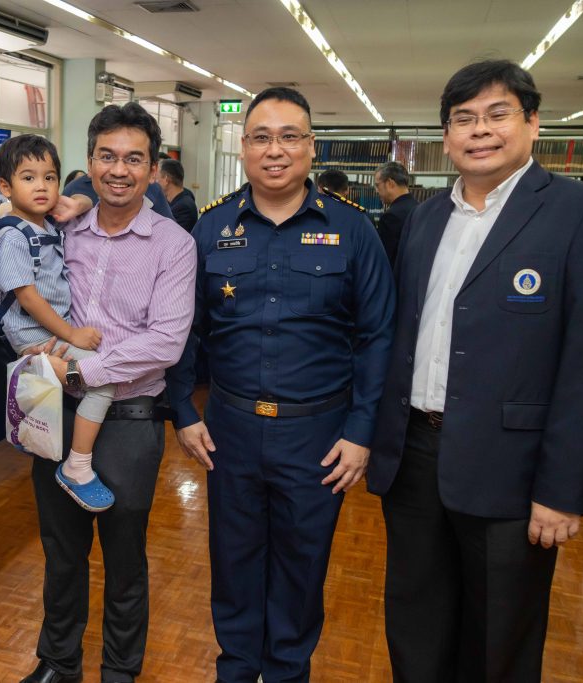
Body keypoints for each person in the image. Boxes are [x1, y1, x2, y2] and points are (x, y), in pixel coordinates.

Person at [367, 59, 583, 683]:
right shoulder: (426, 216)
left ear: (533, 123)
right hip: (416, 458)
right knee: (415, 627)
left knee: (498, 641)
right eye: (464, 119)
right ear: (446, 136)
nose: (480, 130)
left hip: (514, 470)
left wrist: (563, 490)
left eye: (497, 114)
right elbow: (404, 333)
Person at [166, 87, 395, 682]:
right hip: (231, 432)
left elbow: (378, 336)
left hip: (318, 436)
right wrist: (183, 410)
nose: (275, 150)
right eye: (261, 137)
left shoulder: (352, 229)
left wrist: (361, 431)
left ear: (311, 147)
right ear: (243, 147)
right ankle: (237, 671)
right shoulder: (212, 227)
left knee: (301, 570)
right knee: (233, 566)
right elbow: (183, 328)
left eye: (290, 136)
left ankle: (289, 672)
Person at [20, 102, 196, 683]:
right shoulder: (62, 228)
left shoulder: (173, 244)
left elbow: (165, 341)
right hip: (56, 415)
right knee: (60, 554)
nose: (119, 170)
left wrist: (83, 371)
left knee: (124, 561)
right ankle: (58, 663)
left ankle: (120, 671)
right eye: (107, 156)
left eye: (134, 159)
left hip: (129, 422)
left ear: (153, 169)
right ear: (89, 162)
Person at [0, 134, 116, 511]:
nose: (41, 186)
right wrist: (72, 333)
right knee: (103, 381)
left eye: (49, 177)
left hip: (52, 335)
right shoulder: (12, 236)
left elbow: (88, 198)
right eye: (28, 178)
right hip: (37, 337)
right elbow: (28, 298)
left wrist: (79, 201)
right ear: (6, 187)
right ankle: (77, 466)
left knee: (83, 384)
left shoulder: (46, 225)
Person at [373, 161, 417, 267]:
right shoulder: (420, 208)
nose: (376, 191)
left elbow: (383, 260)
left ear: (390, 183)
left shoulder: (391, 217)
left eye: (377, 185)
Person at [157, 158, 197, 231]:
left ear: (166, 179)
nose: (154, 181)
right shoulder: (171, 201)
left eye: (156, 177)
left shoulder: (183, 207)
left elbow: (169, 234)